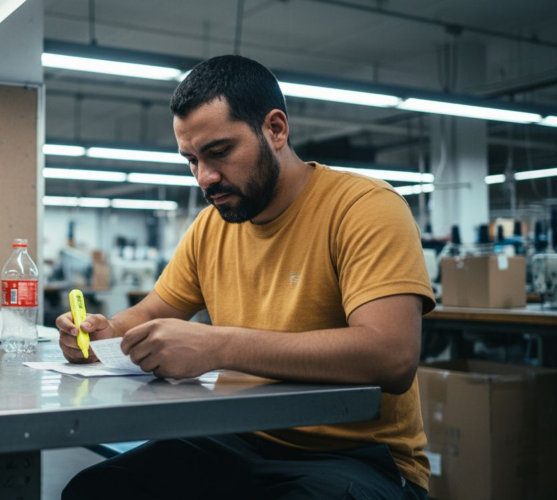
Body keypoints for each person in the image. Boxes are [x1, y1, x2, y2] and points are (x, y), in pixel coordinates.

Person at [57, 55, 435, 500]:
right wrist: (103, 334)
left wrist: (218, 346)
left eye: (219, 153)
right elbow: (153, 310)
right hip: (238, 435)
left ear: (275, 129)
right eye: (191, 160)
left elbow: (391, 356)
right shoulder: (210, 226)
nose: (204, 177)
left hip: (356, 455)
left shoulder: (364, 207)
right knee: (96, 490)